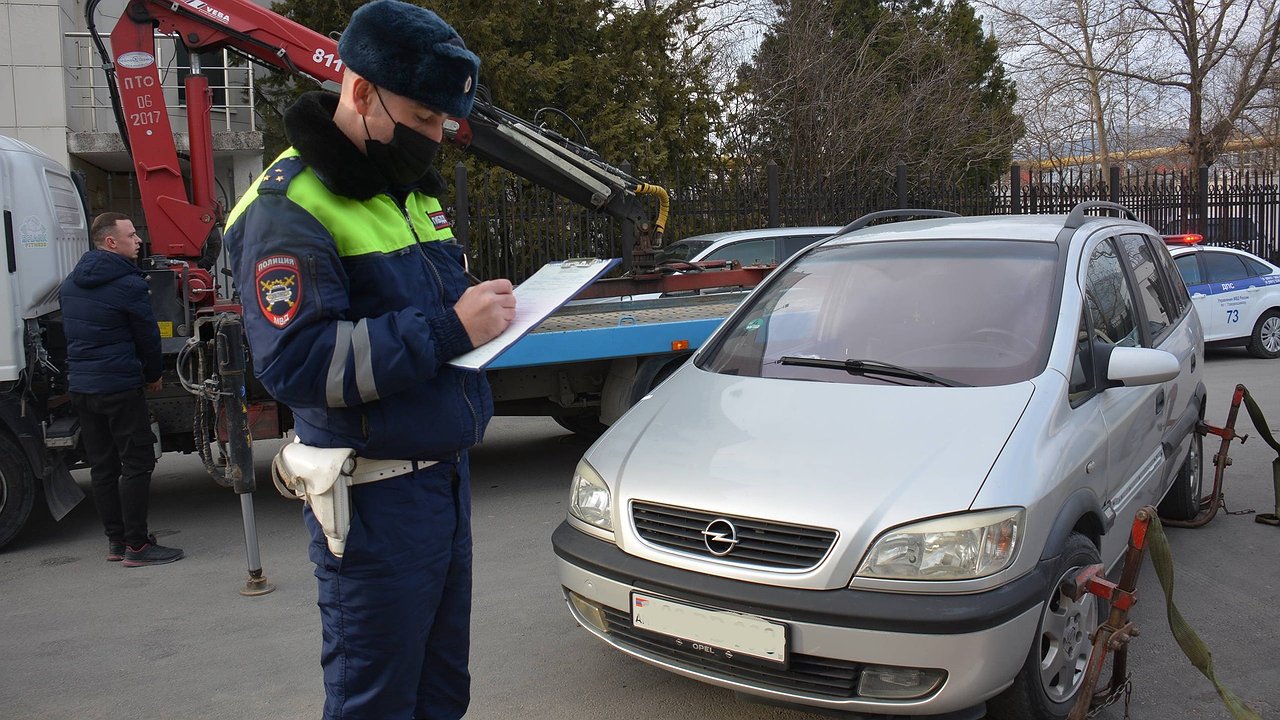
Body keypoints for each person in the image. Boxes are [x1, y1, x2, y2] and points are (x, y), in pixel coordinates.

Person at [222, 1, 516, 717]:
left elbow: (425, 312)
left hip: (442, 483)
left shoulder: (403, 192)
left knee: (443, 692)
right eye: (422, 120)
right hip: (373, 498)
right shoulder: (285, 209)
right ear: (360, 92)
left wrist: (481, 314)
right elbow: (298, 365)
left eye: (443, 124)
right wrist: (450, 329)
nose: (435, 139)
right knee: (376, 701)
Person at [60, 212, 183, 568]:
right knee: (137, 462)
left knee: (102, 466)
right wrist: (152, 374)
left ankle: (116, 542)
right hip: (118, 386)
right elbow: (147, 337)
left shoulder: (70, 284)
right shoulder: (129, 285)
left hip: (83, 387)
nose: (139, 240)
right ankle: (139, 546)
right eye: (131, 235)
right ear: (110, 242)